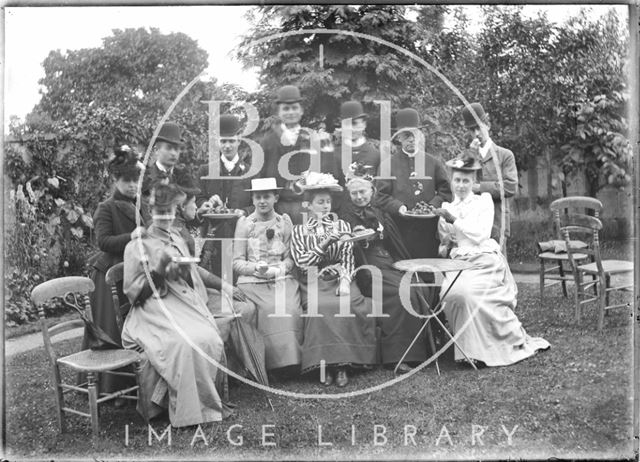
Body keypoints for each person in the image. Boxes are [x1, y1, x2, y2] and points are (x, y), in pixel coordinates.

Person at [121, 183, 231, 427]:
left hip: (181, 303)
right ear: (150, 212)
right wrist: (159, 270)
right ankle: (187, 412)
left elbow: (189, 277)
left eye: (170, 211)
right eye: (161, 212)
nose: (166, 217)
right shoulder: (136, 245)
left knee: (209, 337)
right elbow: (135, 295)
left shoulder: (177, 239)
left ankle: (207, 405)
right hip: (151, 310)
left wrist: (181, 269)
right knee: (183, 342)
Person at [433, 152, 550, 367]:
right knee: (448, 294)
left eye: (465, 181)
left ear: (474, 182)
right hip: (460, 262)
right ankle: (466, 349)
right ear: (452, 181)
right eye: (457, 180)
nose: (460, 185)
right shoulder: (448, 207)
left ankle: (481, 351)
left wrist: (454, 220)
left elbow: (480, 235)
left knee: (467, 294)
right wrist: (444, 237)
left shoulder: (483, 201)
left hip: (484, 260)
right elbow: (448, 240)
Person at [340, 168, 431, 373]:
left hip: (390, 261)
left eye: (363, 192)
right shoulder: (345, 215)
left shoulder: (380, 210)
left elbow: (392, 240)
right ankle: (399, 356)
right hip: (367, 266)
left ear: (372, 190)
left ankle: (420, 351)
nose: (359, 197)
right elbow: (347, 241)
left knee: (420, 287)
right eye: (354, 193)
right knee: (401, 292)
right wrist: (358, 235)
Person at [290, 172, 376, 387]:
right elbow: (303, 262)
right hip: (312, 278)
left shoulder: (343, 226)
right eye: (320, 202)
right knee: (321, 306)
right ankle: (323, 365)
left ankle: (342, 365)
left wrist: (346, 281)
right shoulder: (299, 230)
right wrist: (326, 242)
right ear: (309, 206)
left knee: (347, 303)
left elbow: (347, 256)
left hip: (340, 277)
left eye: (328, 202)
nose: (326, 206)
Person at [85, 145, 146, 397]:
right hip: (108, 275)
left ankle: (135, 380)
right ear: (116, 180)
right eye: (127, 181)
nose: (132, 186)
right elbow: (103, 242)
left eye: (136, 181)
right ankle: (112, 386)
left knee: (131, 324)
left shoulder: (137, 205)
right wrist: (130, 236)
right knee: (112, 330)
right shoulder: (105, 207)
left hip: (129, 272)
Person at [232, 178, 303, 372]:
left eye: (267, 197)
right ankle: (270, 365)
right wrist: (255, 268)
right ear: (253, 199)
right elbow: (237, 261)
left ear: (276, 198)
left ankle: (292, 362)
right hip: (252, 282)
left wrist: (279, 269)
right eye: (258, 197)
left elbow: (291, 258)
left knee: (289, 308)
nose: (262, 201)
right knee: (269, 308)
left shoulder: (284, 221)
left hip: (281, 279)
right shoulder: (245, 224)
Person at [376, 108, 452, 258]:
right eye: (406, 135)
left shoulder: (433, 163)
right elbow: (380, 197)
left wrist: (432, 206)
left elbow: (446, 192)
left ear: (419, 135)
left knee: (428, 272)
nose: (411, 139)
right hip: (400, 231)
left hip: (429, 231)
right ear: (398, 138)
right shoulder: (387, 165)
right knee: (403, 272)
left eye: (414, 134)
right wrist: (399, 207)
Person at [194, 113, 253, 277]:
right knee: (214, 281)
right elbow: (198, 199)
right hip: (213, 237)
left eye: (231, 140)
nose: (227, 146)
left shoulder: (250, 172)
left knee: (239, 281)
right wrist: (207, 202)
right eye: (223, 141)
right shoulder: (205, 170)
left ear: (239, 139)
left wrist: (245, 212)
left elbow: (258, 202)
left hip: (240, 236)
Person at [461, 103, 517, 255]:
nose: (477, 133)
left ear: (488, 125)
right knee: (475, 269)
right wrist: (470, 155)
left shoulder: (505, 155)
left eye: (479, 127)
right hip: (472, 223)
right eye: (472, 130)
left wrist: (480, 188)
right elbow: (459, 183)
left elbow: (510, 187)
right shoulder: (468, 156)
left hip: (497, 222)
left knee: (499, 267)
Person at [140, 121, 191, 222]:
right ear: (156, 150)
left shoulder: (181, 176)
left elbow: (186, 215)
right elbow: (147, 217)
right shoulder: (145, 179)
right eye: (169, 148)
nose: (173, 153)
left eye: (176, 149)